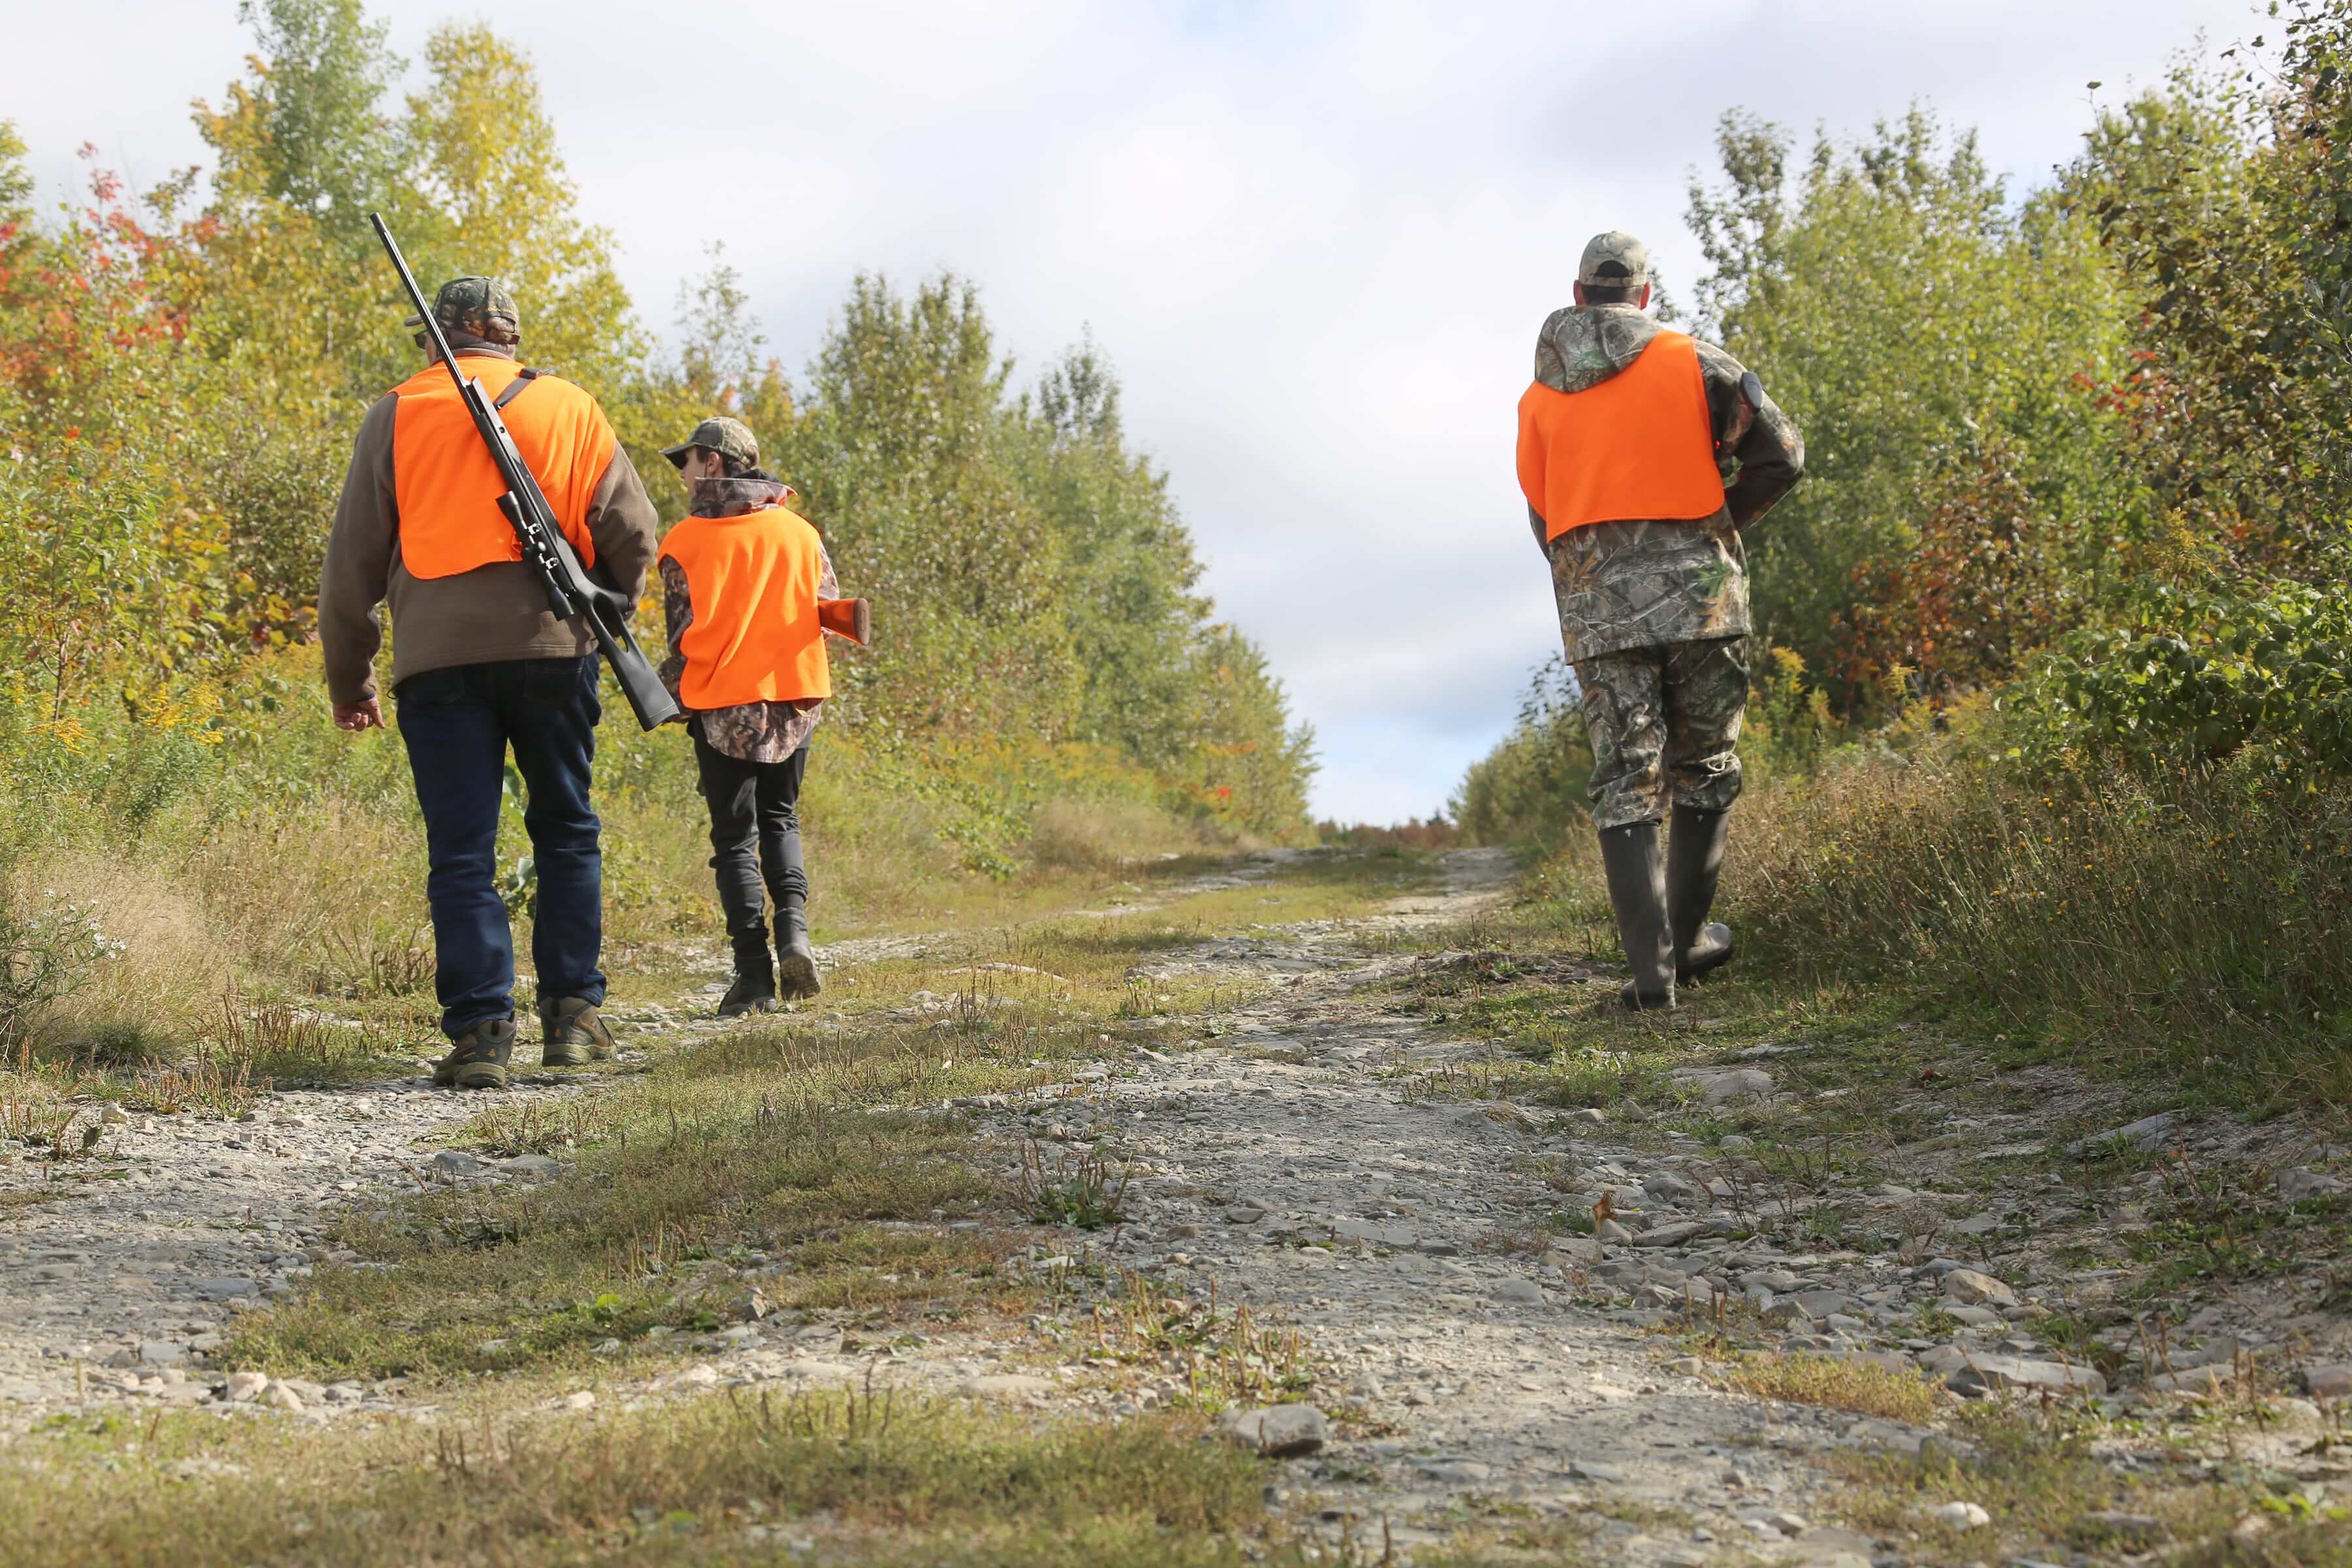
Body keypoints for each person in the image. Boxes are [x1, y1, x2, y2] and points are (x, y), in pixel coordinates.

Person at [320, 276, 659, 1088]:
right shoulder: (571, 405)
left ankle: (479, 1035)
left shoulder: (396, 413)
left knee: (462, 851)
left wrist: (351, 676)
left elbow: (350, 567)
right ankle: (574, 1018)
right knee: (566, 828)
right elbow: (636, 535)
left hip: (436, 664)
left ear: (437, 336)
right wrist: (604, 605)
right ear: (510, 334)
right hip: (556, 651)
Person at [1516, 231, 1805, 1009]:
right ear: (1645, 295)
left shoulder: (1538, 399)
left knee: (1625, 779)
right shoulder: (1697, 361)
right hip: (1704, 597)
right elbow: (1784, 455)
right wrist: (1717, 529)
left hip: (1599, 611)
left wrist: (1594, 578)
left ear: (1580, 296)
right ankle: (1693, 942)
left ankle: (1653, 980)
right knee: (1704, 766)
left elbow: (1544, 518)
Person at [657, 417, 866, 1017]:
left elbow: (681, 636)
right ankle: (795, 936)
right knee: (781, 818)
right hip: (795, 696)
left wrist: (666, 698)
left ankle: (753, 978)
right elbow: (827, 607)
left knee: (732, 840)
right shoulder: (801, 532)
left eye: (689, 461)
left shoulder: (683, 542)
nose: (684, 474)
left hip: (723, 703)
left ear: (715, 464)